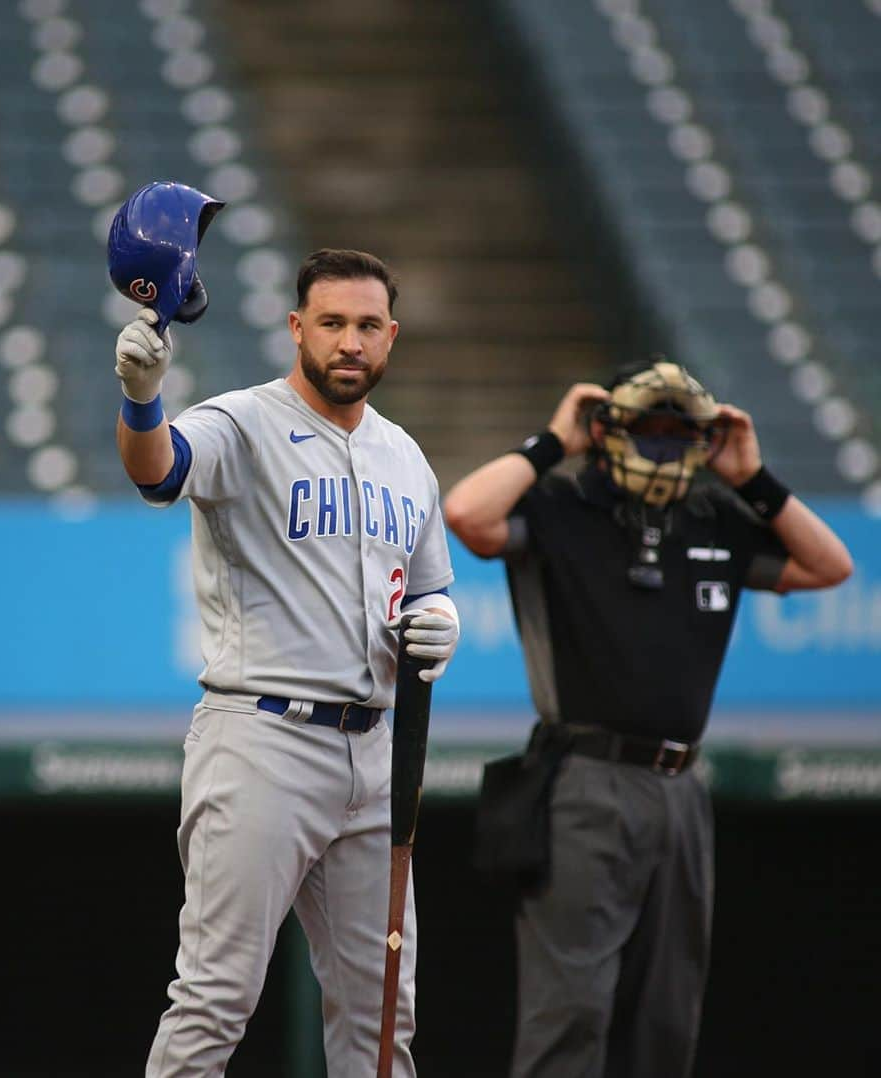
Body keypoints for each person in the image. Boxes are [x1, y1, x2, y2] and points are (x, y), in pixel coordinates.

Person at [443, 359, 852, 1078]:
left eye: (678, 430)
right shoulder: (563, 505)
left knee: (666, 1011)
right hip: (584, 783)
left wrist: (751, 478)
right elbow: (466, 515)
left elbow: (830, 566)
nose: (662, 444)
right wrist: (552, 442)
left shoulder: (715, 516)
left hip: (682, 788)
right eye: (647, 426)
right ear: (607, 430)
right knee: (571, 1009)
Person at [114, 246, 460, 1077]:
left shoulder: (406, 456)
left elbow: (427, 591)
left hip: (375, 752)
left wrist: (438, 619)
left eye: (368, 326)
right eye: (333, 323)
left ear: (391, 337)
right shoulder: (244, 420)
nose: (350, 341)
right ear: (297, 328)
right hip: (263, 736)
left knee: (383, 1017)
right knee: (216, 997)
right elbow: (158, 472)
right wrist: (139, 398)